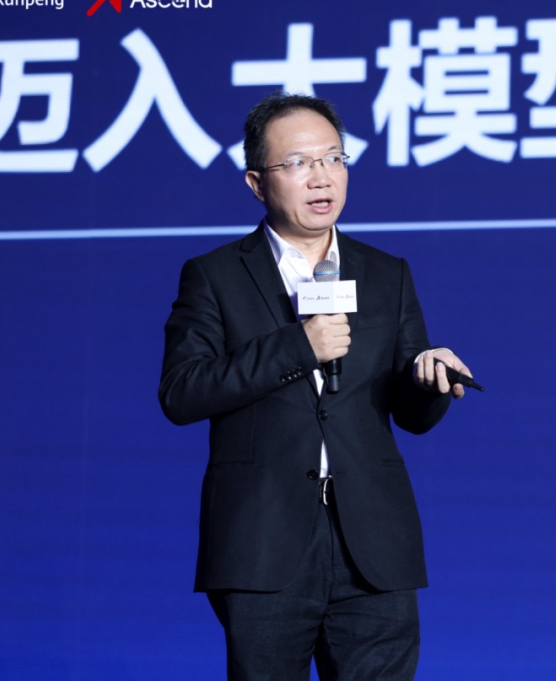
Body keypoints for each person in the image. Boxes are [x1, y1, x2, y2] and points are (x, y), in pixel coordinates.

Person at [158, 92, 473, 681]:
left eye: (333, 158)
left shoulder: (386, 273)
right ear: (257, 183)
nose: (321, 176)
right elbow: (182, 392)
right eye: (298, 163)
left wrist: (427, 380)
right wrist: (297, 347)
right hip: (262, 543)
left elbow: (410, 416)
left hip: (374, 543)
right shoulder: (215, 275)